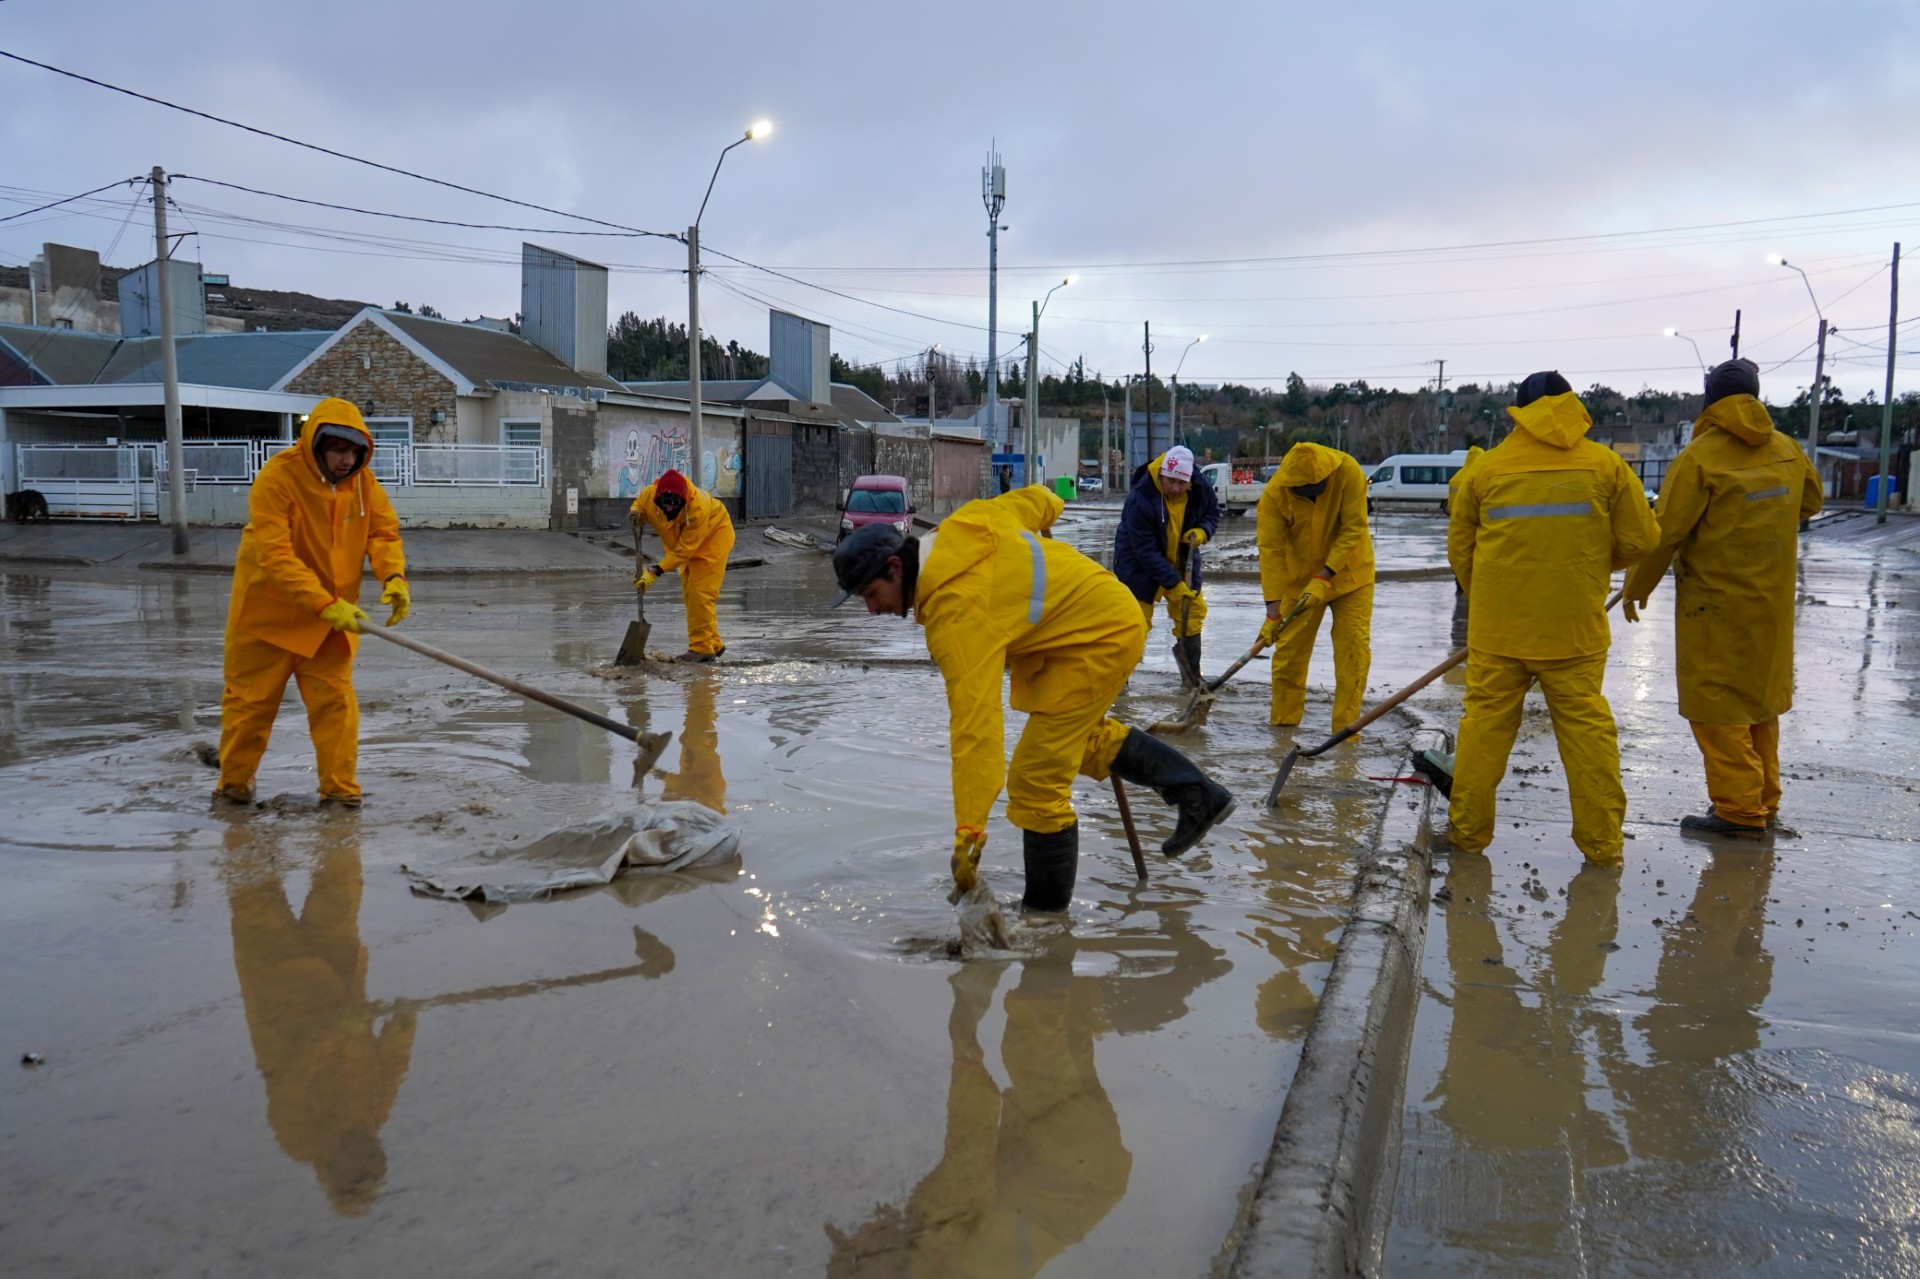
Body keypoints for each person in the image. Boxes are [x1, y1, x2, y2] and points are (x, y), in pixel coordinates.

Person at [831, 489, 1236, 911]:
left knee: (1034, 784)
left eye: (869, 594)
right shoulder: (971, 521)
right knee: (1073, 741)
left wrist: (970, 831)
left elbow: (975, 729)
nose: (870, 608)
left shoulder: (957, 614)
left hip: (1098, 638)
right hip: (1090, 625)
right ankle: (1199, 796)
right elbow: (1044, 501)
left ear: (896, 567)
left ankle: (1045, 922)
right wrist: (1043, 557)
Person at [1446, 372, 1659, 866]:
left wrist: (1492, 598)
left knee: (1482, 732)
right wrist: (1587, 567)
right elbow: (1642, 540)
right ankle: (1603, 848)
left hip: (1499, 631)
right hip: (1574, 630)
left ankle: (1467, 837)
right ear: (1570, 405)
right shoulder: (1604, 465)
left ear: (1517, 411)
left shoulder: (1487, 470)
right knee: (1588, 736)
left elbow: (1461, 551)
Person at [1622, 358, 1822, 837]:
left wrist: (1636, 587)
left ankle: (1738, 810)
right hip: (1770, 604)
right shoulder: (1787, 449)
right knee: (1759, 704)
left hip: (1715, 604)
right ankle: (1763, 801)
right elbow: (1811, 503)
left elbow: (1666, 532)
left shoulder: (1700, 458)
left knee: (1717, 709)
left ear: (1709, 401)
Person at [216, 397, 407, 807]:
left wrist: (393, 576)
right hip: (266, 621)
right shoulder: (278, 478)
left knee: (336, 710)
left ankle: (340, 796)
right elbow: (275, 556)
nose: (347, 460)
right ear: (316, 444)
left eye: (355, 452)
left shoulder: (363, 484)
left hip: (328, 626)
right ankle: (233, 790)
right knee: (249, 711)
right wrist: (324, 604)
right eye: (339, 450)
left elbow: (383, 533)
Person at [1255, 440, 1377, 731]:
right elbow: (1270, 552)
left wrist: (1325, 576)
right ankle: (1284, 727)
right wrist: (1272, 611)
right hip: (1299, 582)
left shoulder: (1348, 472)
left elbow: (1353, 528)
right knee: (1288, 656)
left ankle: (1346, 731)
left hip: (1351, 576)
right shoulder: (1274, 495)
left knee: (1353, 652)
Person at [1112, 444, 1219, 689]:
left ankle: (1192, 679)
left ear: (1190, 479)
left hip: (1182, 561)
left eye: (1181, 484)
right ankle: (1118, 681)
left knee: (1192, 613)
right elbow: (1145, 551)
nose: (1174, 488)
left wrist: (1204, 530)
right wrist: (1173, 584)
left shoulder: (1200, 487)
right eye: (1169, 481)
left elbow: (1213, 513)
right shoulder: (1141, 497)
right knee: (1133, 623)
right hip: (1138, 566)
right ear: (1161, 474)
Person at [631, 467, 735, 663]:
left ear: (683, 499)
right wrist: (635, 513)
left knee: (701, 594)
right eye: (665, 504)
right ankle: (713, 643)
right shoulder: (650, 495)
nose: (669, 508)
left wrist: (655, 570)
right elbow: (640, 505)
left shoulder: (698, 508)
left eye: (674, 504)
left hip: (713, 539)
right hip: (685, 545)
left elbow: (685, 550)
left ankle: (701, 648)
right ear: (658, 497)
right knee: (690, 593)